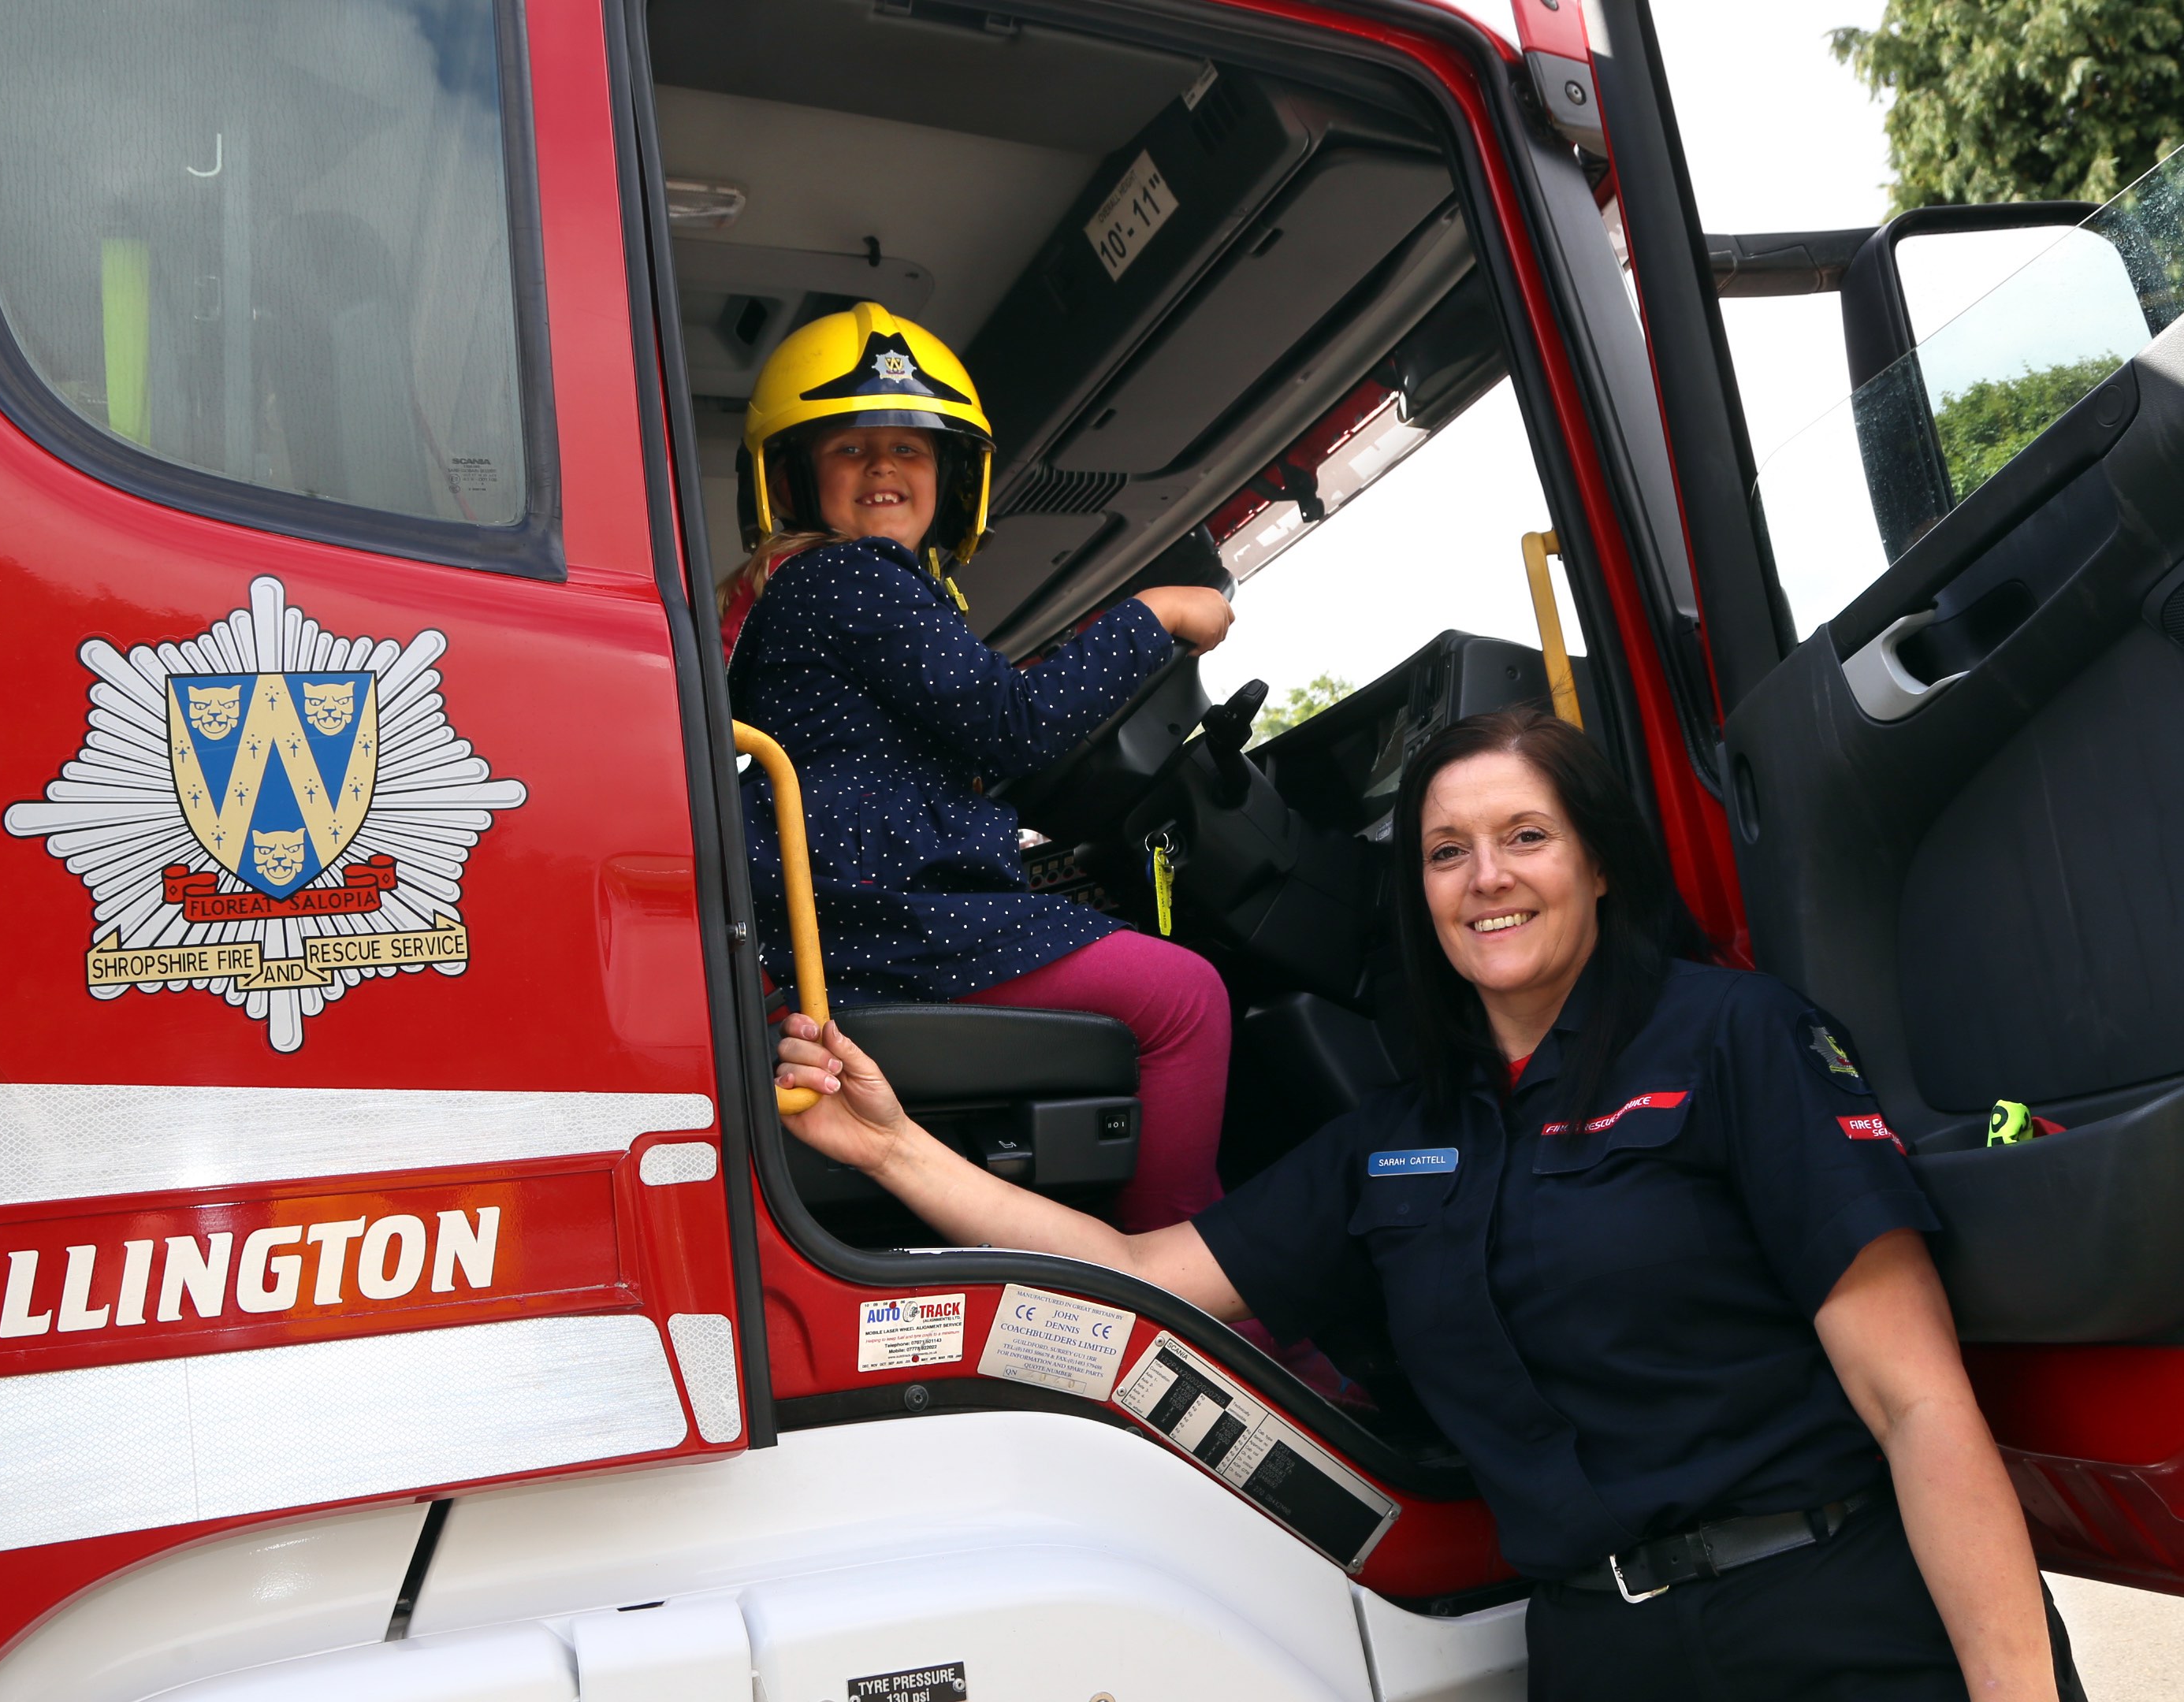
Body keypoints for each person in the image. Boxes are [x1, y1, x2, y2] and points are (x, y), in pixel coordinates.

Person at [772, 706, 2074, 1702]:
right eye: (1447, 853)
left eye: (1525, 838)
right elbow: (1143, 1271)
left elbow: (1917, 1403)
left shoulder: (1737, 1038)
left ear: (1600, 863)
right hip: (1600, 1648)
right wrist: (891, 1152)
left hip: (1830, 1617)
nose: (1484, 878)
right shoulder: (1402, 1137)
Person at [724, 301, 1237, 1232]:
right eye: (849, 447)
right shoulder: (847, 577)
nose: (883, 467)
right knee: (1186, 995)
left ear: (950, 478)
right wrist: (1152, 614)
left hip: (855, 918)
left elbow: (984, 738)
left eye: (911, 449)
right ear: (793, 477)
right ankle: (1180, 1273)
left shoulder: (802, 594)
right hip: (885, 921)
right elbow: (1017, 725)